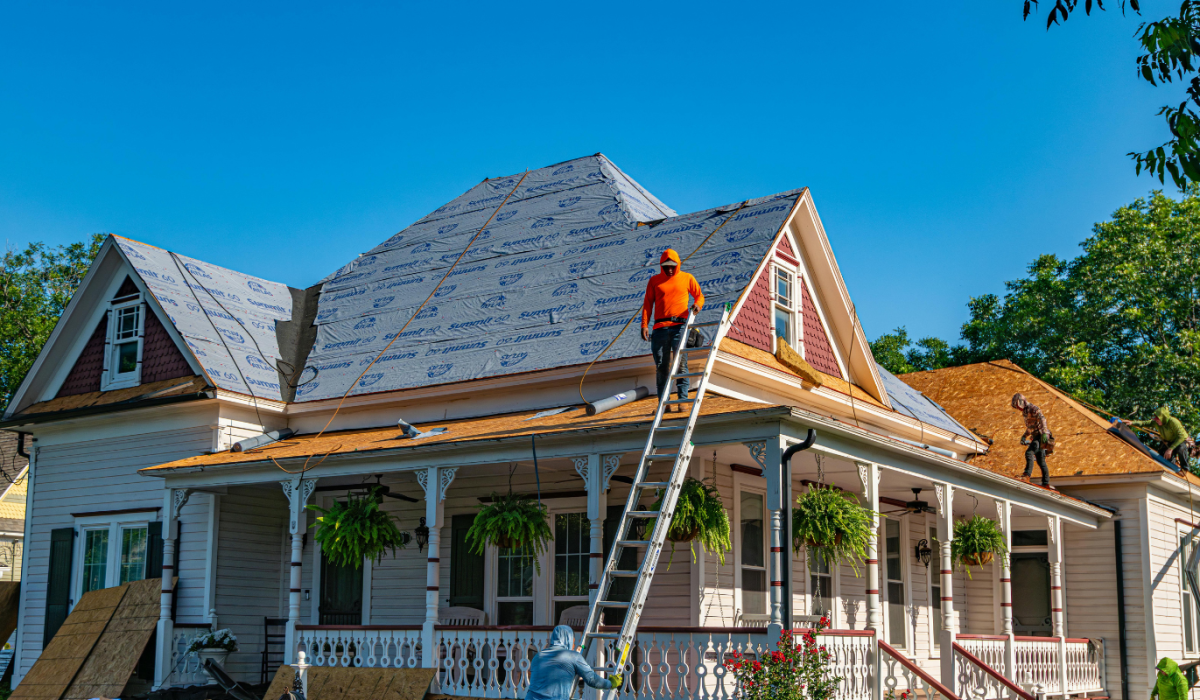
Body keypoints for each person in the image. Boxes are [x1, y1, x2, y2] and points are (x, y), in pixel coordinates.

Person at [640, 249, 704, 412]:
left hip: (679, 326)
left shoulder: (687, 278)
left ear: (678, 264)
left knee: (680, 364)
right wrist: (644, 324)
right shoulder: (654, 281)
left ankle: (683, 400)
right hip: (659, 328)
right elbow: (648, 304)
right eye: (666, 266)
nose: (669, 269)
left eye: (672, 266)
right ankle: (664, 403)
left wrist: (697, 306)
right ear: (661, 266)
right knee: (661, 366)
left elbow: (699, 296)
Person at [525, 625, 622, 700]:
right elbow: (592, 680)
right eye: (573, 641)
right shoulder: (573, 657)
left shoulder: (538, 656)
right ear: (568, 640)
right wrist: (610, 683)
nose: (573, 645)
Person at [1129, 406, 1191, 473]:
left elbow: (1182, 436)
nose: (1156, 421)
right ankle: (1172, 468)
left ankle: (1184, 469)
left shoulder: (1174, 422)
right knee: (1163, 458)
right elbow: (1145, 423)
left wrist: (1170, 449)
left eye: (1157, 419)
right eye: (1155, 419)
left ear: (1163, 418)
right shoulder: (1156, 423)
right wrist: (1132, 422)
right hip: (1167, 443)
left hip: (1178, 442)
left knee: (1181, 448)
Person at [1011, 393, 1054, 489]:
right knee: (1040, 460)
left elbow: (1042, 419)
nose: (1018, 408)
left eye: (1017, 405)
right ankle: (1046, 483)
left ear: (1021, 401)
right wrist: (1024, 436)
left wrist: (1044, 432)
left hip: (1040, 435)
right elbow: (1030, 427)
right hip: (1036, 435)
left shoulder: (1033, 408)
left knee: (1029, 453)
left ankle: (1027, 475)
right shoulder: (1025, 413)